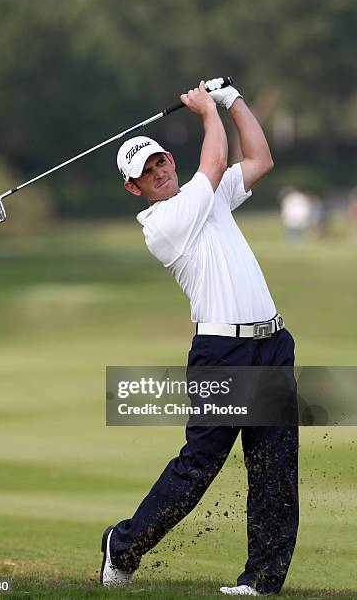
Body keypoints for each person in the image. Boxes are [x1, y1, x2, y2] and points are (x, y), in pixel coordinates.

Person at [100, 79, 299, 596]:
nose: (160, 172)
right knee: (200, 466)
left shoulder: (201, 198)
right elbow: (212, 166)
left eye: (161, 161)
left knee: (275, 464)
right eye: (147, 172)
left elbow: (259, 158)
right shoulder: (163, 222)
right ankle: (122, 546)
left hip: (272, 344)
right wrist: (207, 111)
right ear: (134, 188)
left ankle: (262, 581)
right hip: (222, 352)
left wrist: (232, 101)